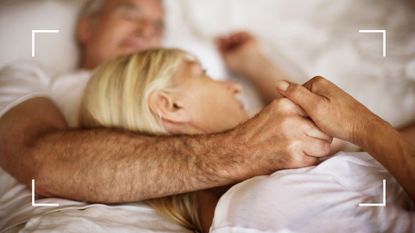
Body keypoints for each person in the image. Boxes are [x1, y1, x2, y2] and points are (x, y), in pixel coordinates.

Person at [0, 0, 330, 206]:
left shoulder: (189, 83)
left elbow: (303, 133)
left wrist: (254, 65)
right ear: (88, 26)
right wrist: (240, 151)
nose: (147, 31)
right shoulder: (33, 78)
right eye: (131, 15)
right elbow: (41, 165)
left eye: (159, 26)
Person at [78, 49, 415, 233]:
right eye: (203, 73)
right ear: (171, 105)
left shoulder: (263, 192)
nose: (234, 87)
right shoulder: (268, 204)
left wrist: (256, 64)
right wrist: (365, 126)